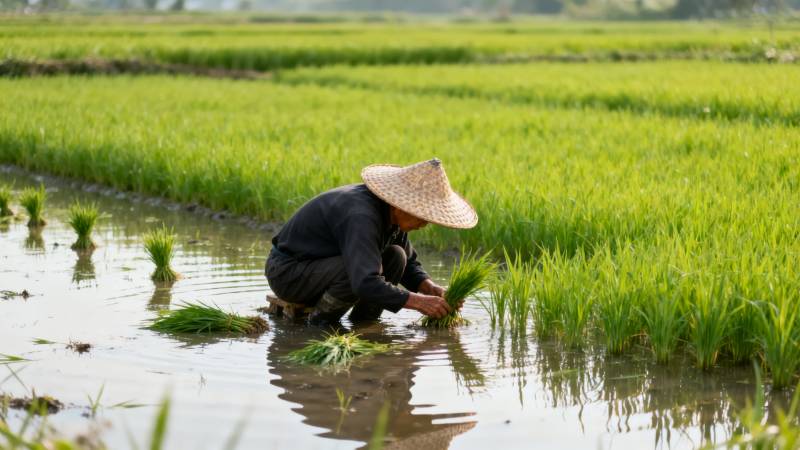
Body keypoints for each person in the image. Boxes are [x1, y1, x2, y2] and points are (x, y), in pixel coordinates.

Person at [265, 158, 478, 326]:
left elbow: (409, 265)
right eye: (422, 216)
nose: (425, 223)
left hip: (320, 270)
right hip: (288, 273)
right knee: (353, 271)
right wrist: (419, 303)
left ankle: (363, 324)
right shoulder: (361, 215)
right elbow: (364, 281)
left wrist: (432, 290)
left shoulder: (391, 217)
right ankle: (321, 325)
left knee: (397, 256)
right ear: (401, 205)